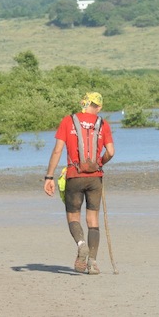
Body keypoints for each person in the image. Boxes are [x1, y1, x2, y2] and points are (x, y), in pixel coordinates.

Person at [44, 92, 115, 275]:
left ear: (84, 103)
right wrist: (99, 163)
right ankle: (92, 262)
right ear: (98, 107)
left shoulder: (68, 121)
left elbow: (57, 150)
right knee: (93, 220)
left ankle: (81, 244)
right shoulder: (103, 124)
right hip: (95, 178)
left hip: (74, 176)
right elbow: (111, 152)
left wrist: (49, 177)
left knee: (73, 217)